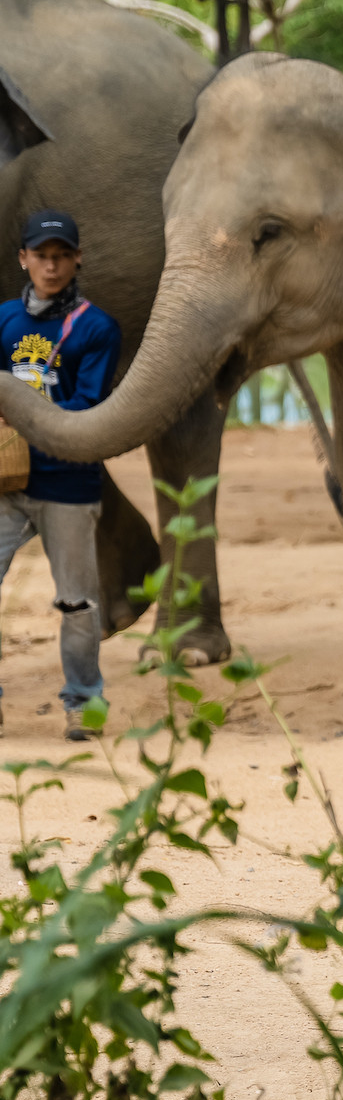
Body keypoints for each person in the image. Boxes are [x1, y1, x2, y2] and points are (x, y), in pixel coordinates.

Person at [0, 210, 121, 741]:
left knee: (76, 603)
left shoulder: (96, 328)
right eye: (41, 256)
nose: (50, 266)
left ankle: (84, 703)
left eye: (61, 256)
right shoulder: (3, 320)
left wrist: (18, 412)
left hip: (67, 485)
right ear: (23, 259)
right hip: (4, 484)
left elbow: (86, 406)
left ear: (77, 260)